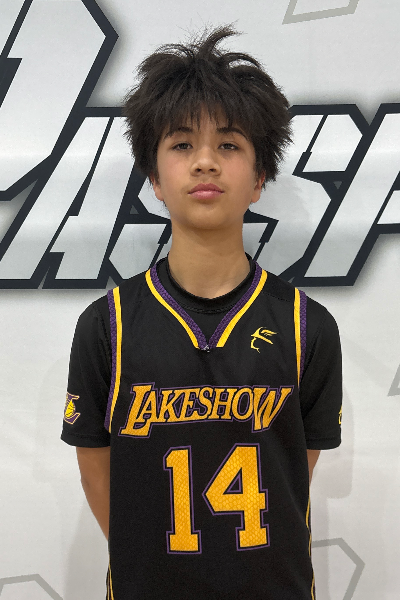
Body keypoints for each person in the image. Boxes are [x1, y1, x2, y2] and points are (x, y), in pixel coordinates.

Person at [61, 25, 342, 600]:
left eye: (229, 145)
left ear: (260, 178)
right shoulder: (107, 325)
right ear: (154, 179)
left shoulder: (307, 326)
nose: (206, 162)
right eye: (183, 144)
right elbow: (95, 466)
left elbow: (296, 469)